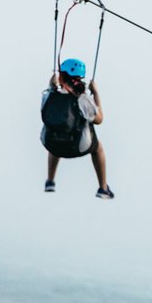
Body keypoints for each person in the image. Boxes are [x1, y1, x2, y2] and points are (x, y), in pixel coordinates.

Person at [40, 57, 113, 198]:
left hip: (52, 144)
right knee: (98, 148)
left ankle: (50, 180)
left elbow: (44, 111)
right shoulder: (83, 99)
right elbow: (99, 119)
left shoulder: (49, 95)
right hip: (77, 147)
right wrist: (96, 93)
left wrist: (51, 86)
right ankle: (103, 188)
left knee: (56, 129)